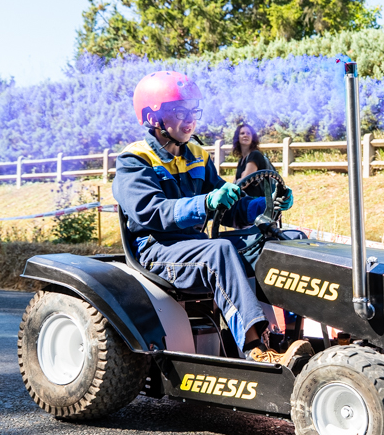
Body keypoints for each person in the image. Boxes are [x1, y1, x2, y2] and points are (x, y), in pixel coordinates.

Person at [112, 71, 311, 365]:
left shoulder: (196, 155)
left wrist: (264, 205)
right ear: (153, 118)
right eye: (179, 112)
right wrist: (203, 203)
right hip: (157, 251)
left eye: (193, 111)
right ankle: (257, 349)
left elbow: (229, 208)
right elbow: (150, 212)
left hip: (194, 245)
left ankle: (297, 337)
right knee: (220, 251)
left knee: (285, 239)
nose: (190, 119)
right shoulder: (135, 161)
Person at [233, 124, 274, 193]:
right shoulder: (241, 160)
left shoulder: (255, 155)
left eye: (248, 133)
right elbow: (234, 183)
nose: (245, 135)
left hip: (258, 200)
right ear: (238, 137)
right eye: (242, 133)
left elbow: (243, 183)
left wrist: (241, 179)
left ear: (252, 137)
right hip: (245, 200)